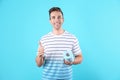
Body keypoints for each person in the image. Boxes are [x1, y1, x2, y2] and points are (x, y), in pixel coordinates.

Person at [36, 7, 83, 80]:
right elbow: (39, 64)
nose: (56, 20)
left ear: (63, 19)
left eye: (59, 17)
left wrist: (72, 61)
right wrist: (39, 56)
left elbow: (80, 57)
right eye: (53, 17)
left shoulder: (72, 38)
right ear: (50, 21)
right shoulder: (43, 39)